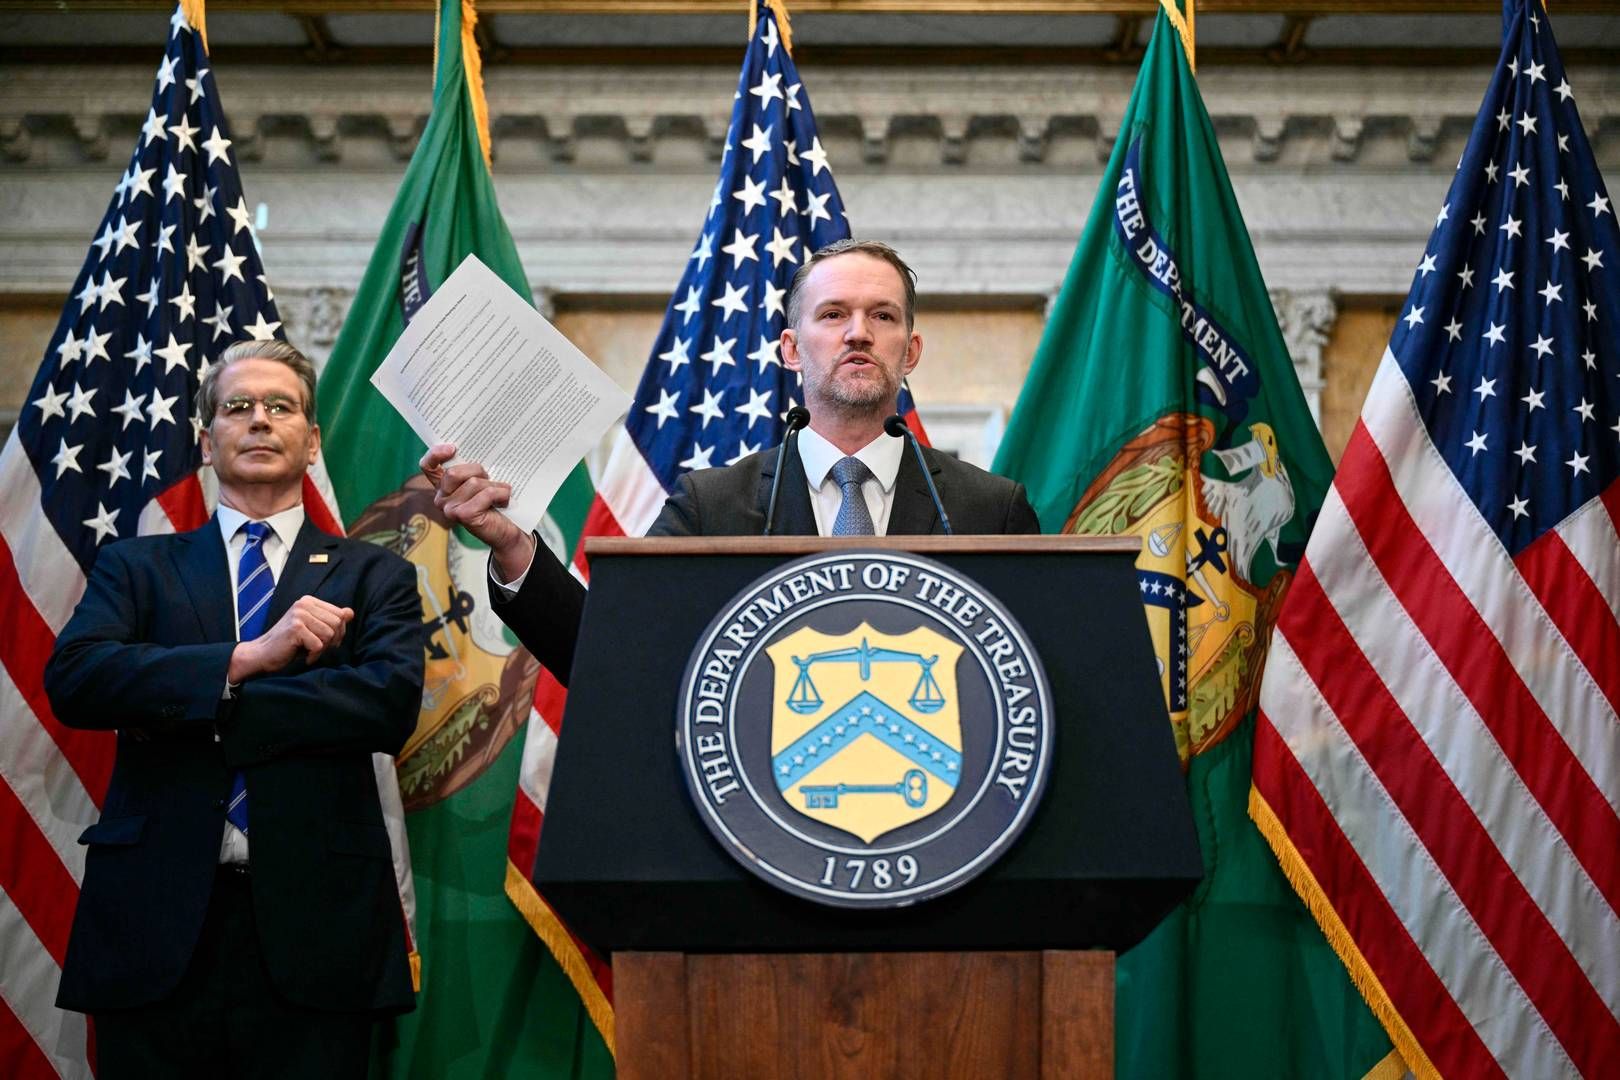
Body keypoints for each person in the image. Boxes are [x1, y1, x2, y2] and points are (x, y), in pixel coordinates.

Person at [45, 340, 423, 1079]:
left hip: (320, 930)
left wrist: (189, 701)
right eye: (238, 408)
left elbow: (383, 705)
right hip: (154, 925)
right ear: (206, 441)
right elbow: (79, 679)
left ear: (312, 443)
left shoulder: (374, 572)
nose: (258, 421)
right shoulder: (139, 566)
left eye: (280, 407)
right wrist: (246, 659)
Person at [420, 238, 1039, 679]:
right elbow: (608, 652)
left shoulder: (987, 507)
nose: (858, 333)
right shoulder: (710, 505)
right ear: (792, 351)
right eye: (833, 315)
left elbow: (1032, 678)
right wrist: (512, 547)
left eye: (882, 316)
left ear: (912, 350)